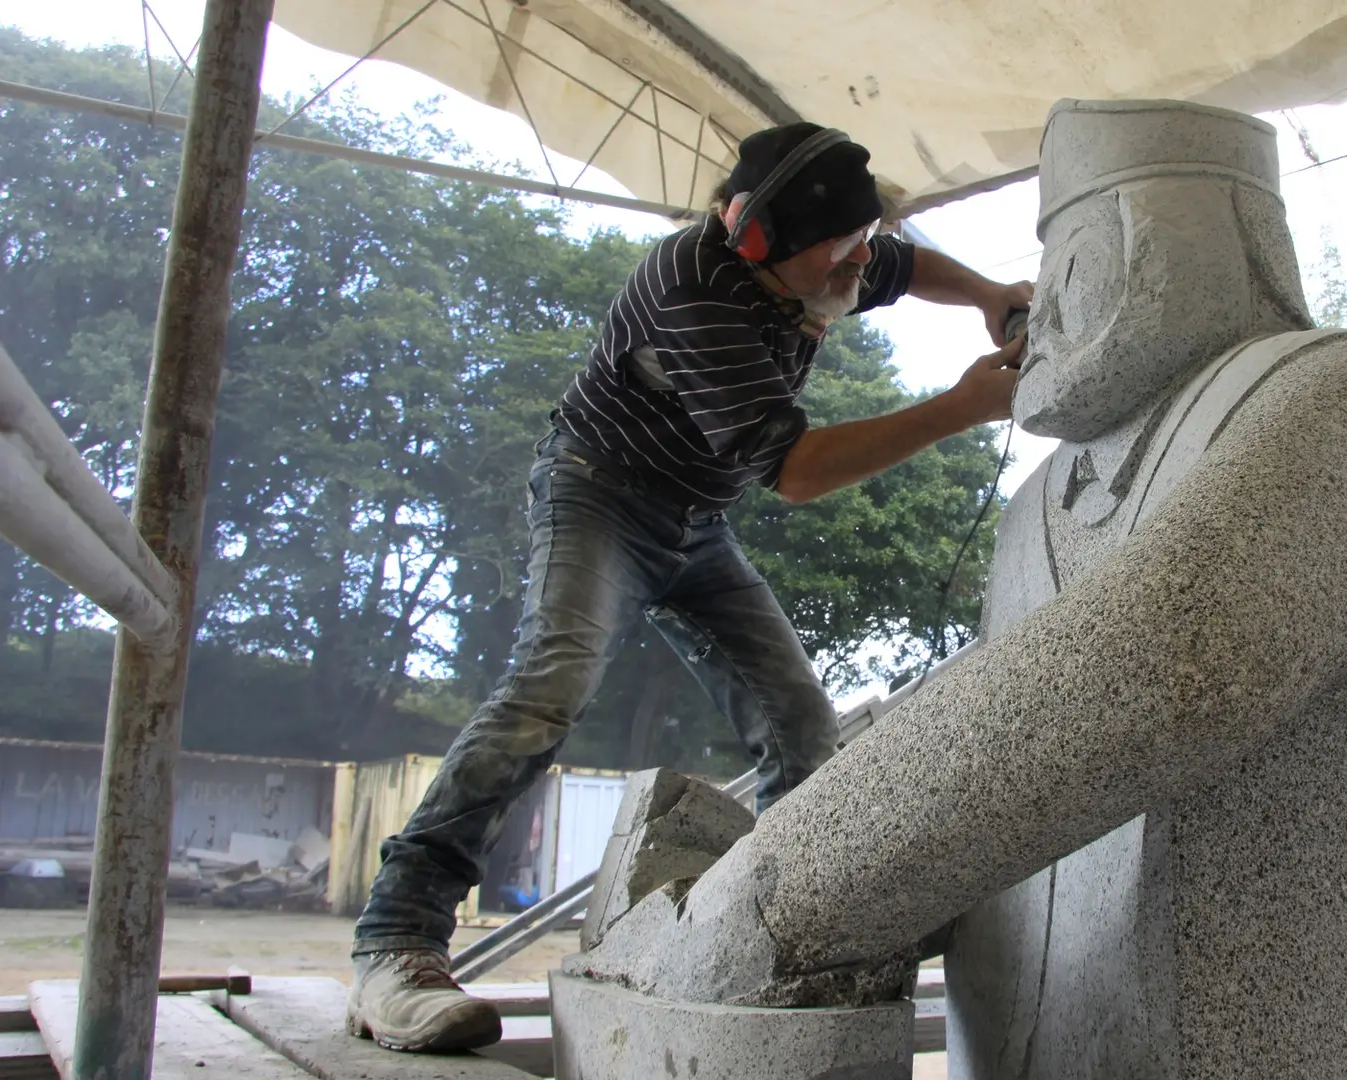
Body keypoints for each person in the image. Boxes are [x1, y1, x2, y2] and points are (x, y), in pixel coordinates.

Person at [344, 121, 1033, 1053]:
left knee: (800, 726)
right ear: (754, 240)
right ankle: (396, 943)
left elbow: (903, 267)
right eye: (841, 255)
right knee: (553, 684)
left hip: (696, 522)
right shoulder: (692, 289)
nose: (858, 269)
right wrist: (961, 407)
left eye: (860, 245)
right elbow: (794, 472)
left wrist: (991, 296)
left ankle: (787, 939)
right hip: (599, 494)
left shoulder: (822, 257)